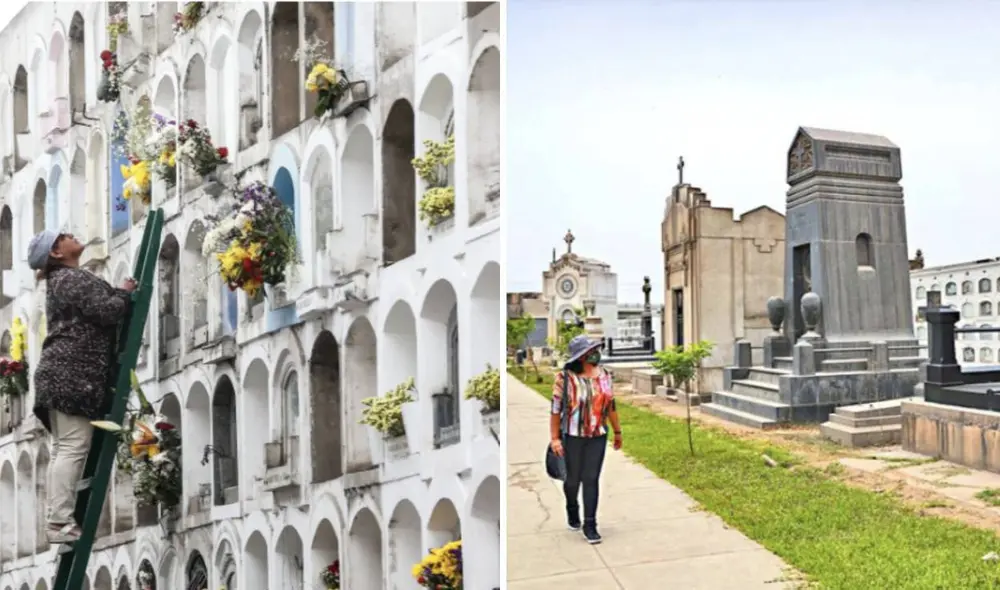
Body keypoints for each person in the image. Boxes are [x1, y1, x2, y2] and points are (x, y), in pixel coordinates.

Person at [27, 230, 137, 544]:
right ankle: (59, 521)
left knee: (65, 449)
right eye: (63, 237)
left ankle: (57, 519)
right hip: (70, 375)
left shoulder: (62, 280)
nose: (71, 235)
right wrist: (125, 292)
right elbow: (107, 311)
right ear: (56, 253)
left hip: (62, 374)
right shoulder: (70, 279)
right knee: (72, 448)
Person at [549, 335, 622, 544]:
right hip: (572, 436)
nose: (596, 353)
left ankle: (590, 524)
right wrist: (555, 438)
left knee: (591, 478)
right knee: (572, 481)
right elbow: (555, 410)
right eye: (591, 351)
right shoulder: (565, 378)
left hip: (597, 435)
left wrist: (618, 432)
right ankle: (572, 507)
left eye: (597, 349)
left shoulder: (605, 375)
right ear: (581, 356)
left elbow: (611, 405)